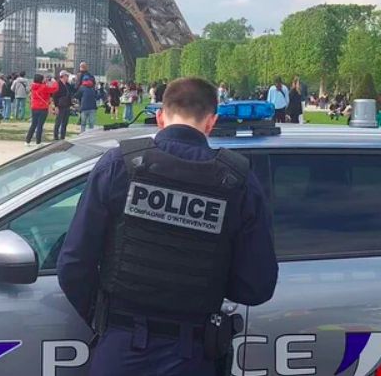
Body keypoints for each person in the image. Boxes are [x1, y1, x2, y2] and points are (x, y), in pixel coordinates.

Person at [57, 77, 278, 376]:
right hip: (192, 354)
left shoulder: (119, 164)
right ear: (211, 122)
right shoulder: (238, 180)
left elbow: (73, 264)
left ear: (160, 116)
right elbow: (257, 286)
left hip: (121, 346)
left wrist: (106, 320)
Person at [26, 74, 58, 146]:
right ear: (41, 80)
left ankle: (27, 140)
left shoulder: (33, 87)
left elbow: (41, 87)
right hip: (43, 108)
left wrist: (45, 82)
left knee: (33, 124)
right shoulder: (44, 87)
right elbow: (54, 89)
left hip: (34, 107)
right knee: (40, 125)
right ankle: (38, 142)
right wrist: (54, 81)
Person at [52, 71, 74, 141]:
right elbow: (55, 96)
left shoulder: (68, 85)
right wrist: (56, 106)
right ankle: (55, 136)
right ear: (63, 76)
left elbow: (72, 91)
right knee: (58, 121)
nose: (67, 77)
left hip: (67, 105)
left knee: (65, 122)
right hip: (60, 105)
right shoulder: (58, 84)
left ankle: (62, 136)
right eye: (66, 76)